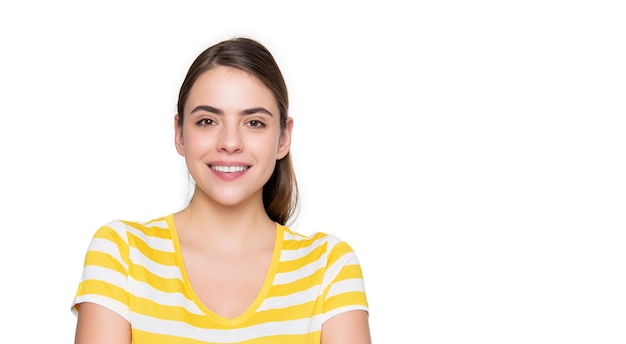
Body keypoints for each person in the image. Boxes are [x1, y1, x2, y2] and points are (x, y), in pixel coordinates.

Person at [71, 37, 371, 343]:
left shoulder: (329, 266)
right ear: (180, 134)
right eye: (207, 121)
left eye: (254, 123)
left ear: (283, 138)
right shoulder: (122, 253)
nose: (230, 142)